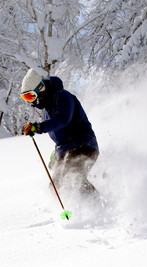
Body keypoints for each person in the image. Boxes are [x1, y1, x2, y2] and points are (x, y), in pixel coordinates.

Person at [19, 68, 99, 196]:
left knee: (73, 178)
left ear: (40, 89)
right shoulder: (47, 109)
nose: (31, 101)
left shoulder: (62, 96)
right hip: (67, 150)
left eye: (30, 96)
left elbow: (62, 120)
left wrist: (37, 127)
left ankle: (99, 206)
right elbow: (61, 136)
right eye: (26, 98)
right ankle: (71, 211)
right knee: (55, 186)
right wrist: (57, 156)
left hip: (83, 145)